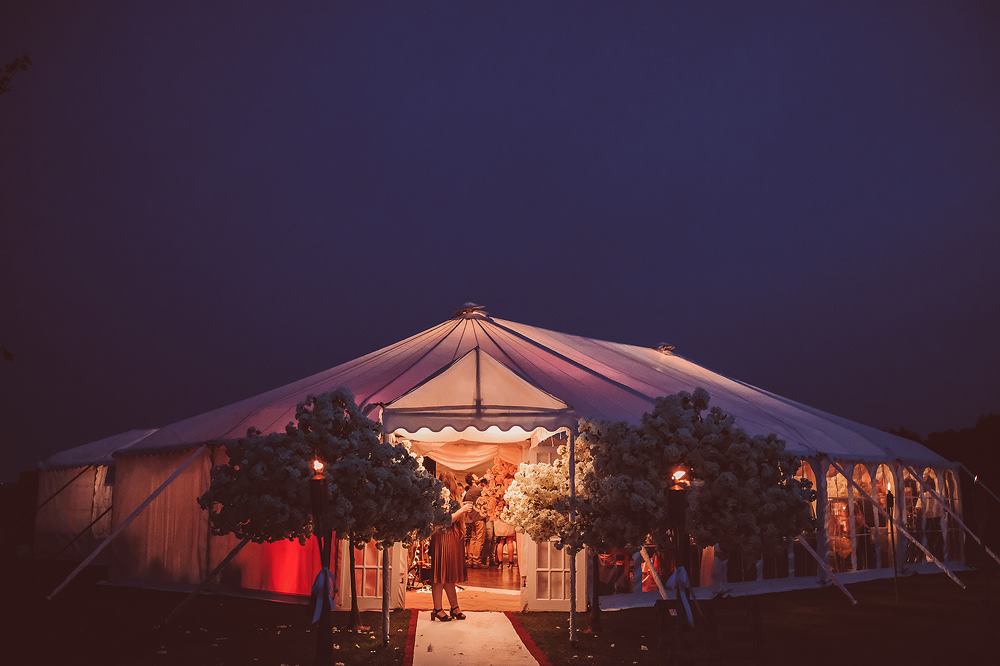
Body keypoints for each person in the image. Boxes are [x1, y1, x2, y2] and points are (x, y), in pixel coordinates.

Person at [430, 472, 472, 622]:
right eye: (454, 479)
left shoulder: (453, 498)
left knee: (448, 575)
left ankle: (454, 607)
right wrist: (461, 511)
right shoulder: (439, 498)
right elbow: (444, 520)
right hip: (443, 538)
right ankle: (437, 609)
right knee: (440, 575)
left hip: (452, 538)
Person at [462, 474, 487, 567]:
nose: (478, 477)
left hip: (471, 518)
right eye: (476, 477)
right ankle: (476, 561)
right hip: (479, 517)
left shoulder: (468, 492)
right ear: (473, 480)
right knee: (479, 539)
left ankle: (471, 560)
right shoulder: (479, 490)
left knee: (473, 539)